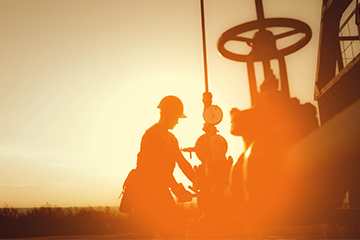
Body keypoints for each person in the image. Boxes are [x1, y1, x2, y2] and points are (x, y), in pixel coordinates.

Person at [132, 95, 197, 239]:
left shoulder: (172, 139)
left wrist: (197, 180)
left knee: (176, 233)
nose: (178, 122)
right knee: (149, 235)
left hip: (161, 191)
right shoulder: (151, 135)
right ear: (165, 114)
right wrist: (178, 189)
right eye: (176, 118)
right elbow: (158, 169)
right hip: (144, 195)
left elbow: (182, 162)